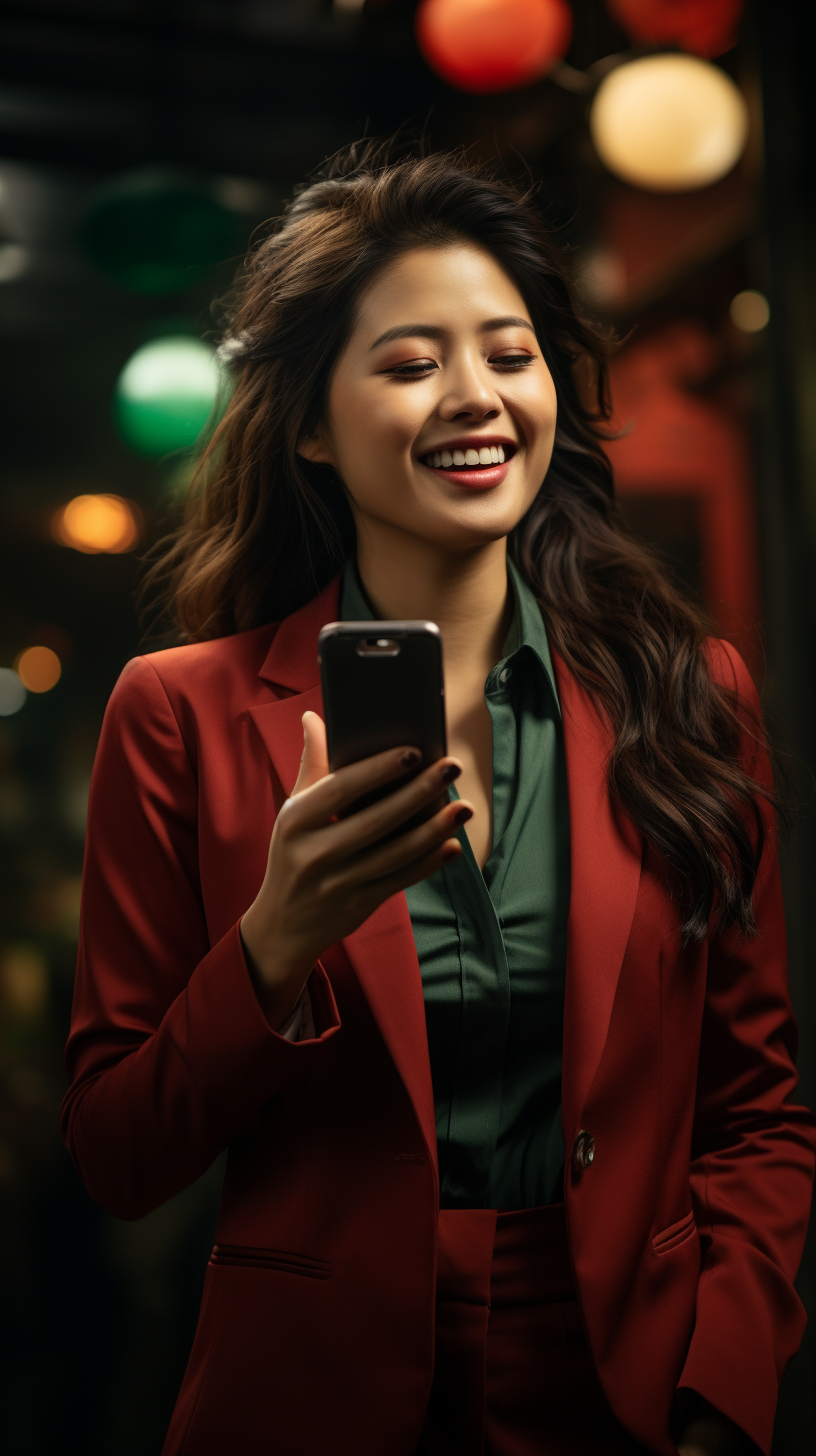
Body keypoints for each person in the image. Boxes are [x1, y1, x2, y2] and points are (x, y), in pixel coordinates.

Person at [62, 145, 815, 1456]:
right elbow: (120, 1157)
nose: (478, 399)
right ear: (309, 422)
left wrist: (724, 1398)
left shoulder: (692, 693)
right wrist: (273, 947)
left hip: (628, 1389)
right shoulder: (176, 713)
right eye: (411, 364)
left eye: (509, 354)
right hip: (312, 1400)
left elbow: (755, 1110)